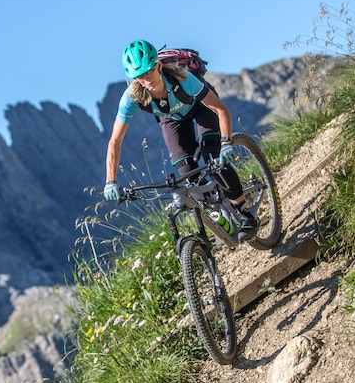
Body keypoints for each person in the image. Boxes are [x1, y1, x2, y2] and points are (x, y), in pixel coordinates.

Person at [103, 39, 257, 238]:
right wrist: (110, 181)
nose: (146, 78)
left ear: (158, 65)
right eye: (139, 76)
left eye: (149, 70)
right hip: (172, 118)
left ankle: (244, 211)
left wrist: (226, 142)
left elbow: (220, 109)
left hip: (201, 107)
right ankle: (219, 213)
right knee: (187, 172)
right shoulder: (132, 97)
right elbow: (115, 141)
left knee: (213, 155)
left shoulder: (183, 78)